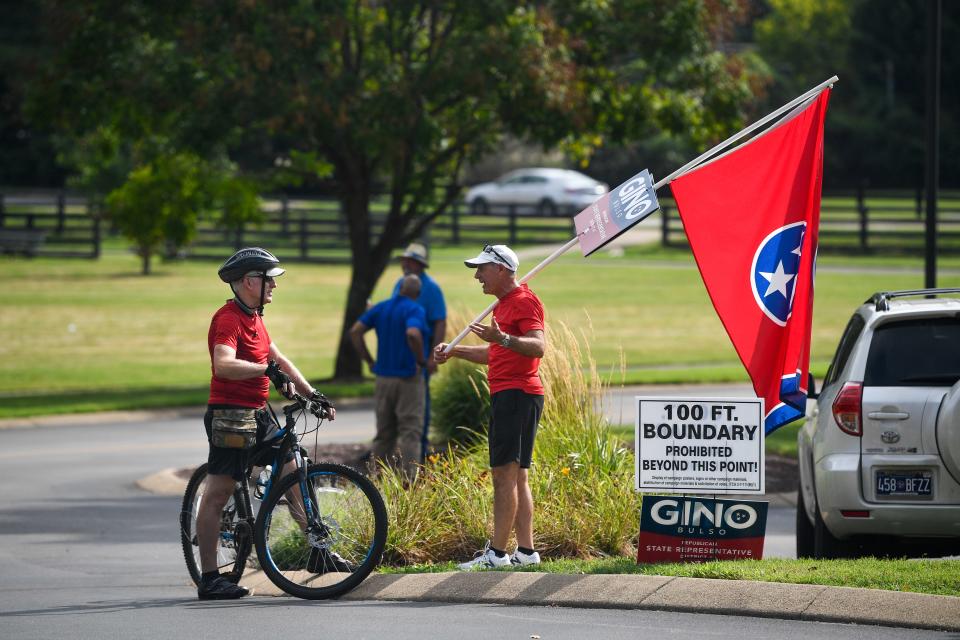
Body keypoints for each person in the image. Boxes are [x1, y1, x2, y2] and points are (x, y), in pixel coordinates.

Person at [197, 247, 339, 600]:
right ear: (249, 281)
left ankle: (317, 551)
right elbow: (223, 364)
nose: (274, 286)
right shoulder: (228, 319)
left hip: (258, 413)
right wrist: (265, 370)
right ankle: (211, 578)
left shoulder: (255, 316)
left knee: (293, 469)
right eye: (269, 280)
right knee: (218, 493)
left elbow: (279, 358)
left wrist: (313, 394)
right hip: (230, 416)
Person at [434, 244, 546, 570]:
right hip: (515, 395)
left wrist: (504, 339)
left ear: (501, 270)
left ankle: (497, 555)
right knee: (518, 477)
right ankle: (526, 552)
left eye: (482, 268)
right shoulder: (504, 305)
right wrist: (456, 352)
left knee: (503, 476)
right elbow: (494, 354)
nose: (477, 275)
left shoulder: (524, 301)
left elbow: (538, 346)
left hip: (516, 395)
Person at [350, 274, 427, 480]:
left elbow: (356, 332)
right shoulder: (414, 309)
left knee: (384, 433)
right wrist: (421, 360)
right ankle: (409, 481)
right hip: (408, 378)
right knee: (410, 432)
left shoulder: (381, 308)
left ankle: (377, 480)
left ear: (400, 288)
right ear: (417, 293)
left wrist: (369, 360)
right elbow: (413, 333)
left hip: (383, 377)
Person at [392, 242, 446, 461]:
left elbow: (440, 322)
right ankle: (399, 458)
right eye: (404, 260)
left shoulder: (430, 288)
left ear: (419, 264)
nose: (405, 263)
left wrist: (432, 356)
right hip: (398, 357)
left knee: (418, 411)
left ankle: (420, 457)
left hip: (419, 357)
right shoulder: (400, 283)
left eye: (409, 260)